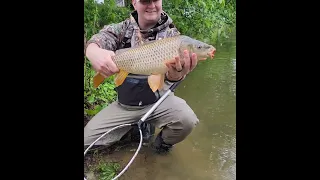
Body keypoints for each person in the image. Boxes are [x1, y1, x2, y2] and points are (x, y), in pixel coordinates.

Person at [84, 0, 200, 153]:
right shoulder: (121, 29)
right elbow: (97, 41)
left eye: (155, 0)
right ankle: (128, 130)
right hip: (125, 106)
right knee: (86, 142)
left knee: (187, 119)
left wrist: (176, 75)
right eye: (145, 0)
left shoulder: (174, 37)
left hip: (158, 103)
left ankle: (160, 146)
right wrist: (93, 52)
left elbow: (172, 79)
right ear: (134, 3)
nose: (151, 5)